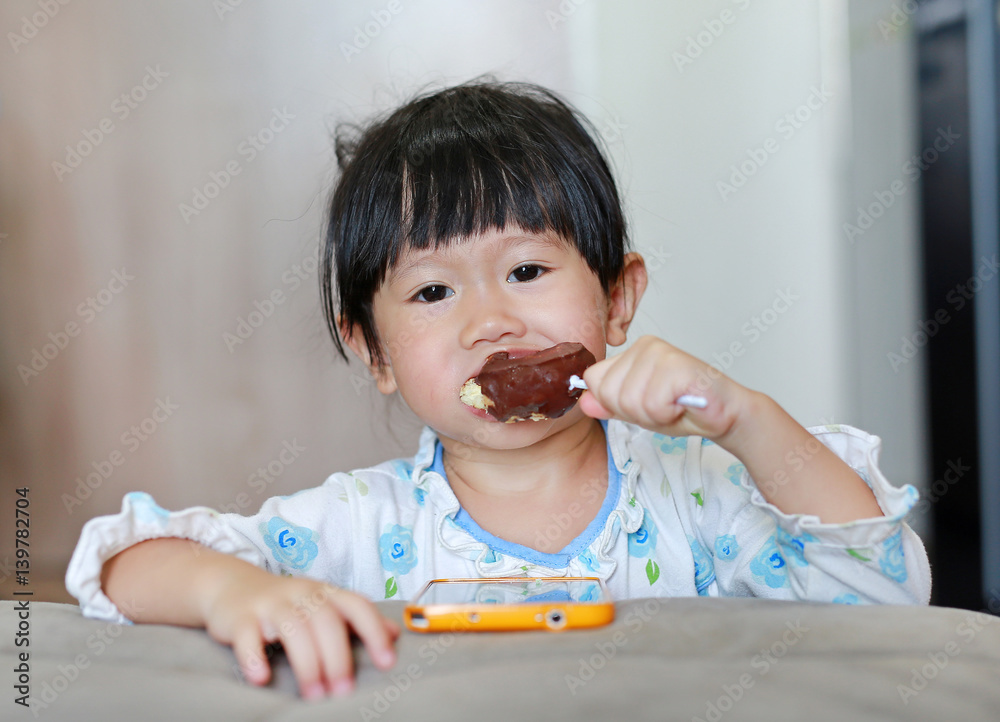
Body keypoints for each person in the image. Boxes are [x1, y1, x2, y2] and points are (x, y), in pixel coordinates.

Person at [66, 80, 931, 701]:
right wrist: (236, 594)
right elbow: (119, 568)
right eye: (434, 292)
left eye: (525, 269)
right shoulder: (364, 529)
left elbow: (880, 592)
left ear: (618, 298)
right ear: (373, 351)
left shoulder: (697, 499)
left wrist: (742, 418)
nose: (490, 321)